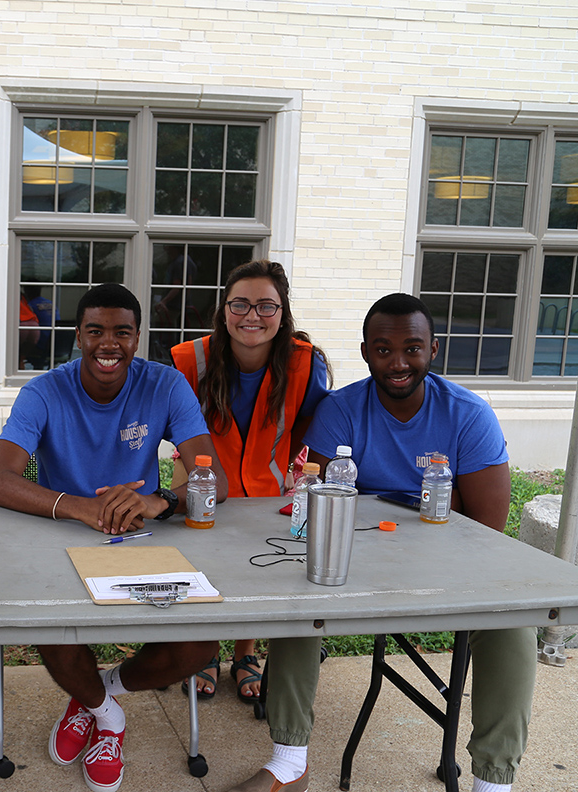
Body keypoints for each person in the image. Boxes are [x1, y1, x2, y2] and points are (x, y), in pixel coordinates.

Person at [225, 293, 526, 792]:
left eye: (412, 348)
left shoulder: (468, 414)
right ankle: (288, 762)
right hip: (359, 554)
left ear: (434, 348)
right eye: (384, 350)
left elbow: (487, 533)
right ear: (366, 352)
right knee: (300, 592)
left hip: (444, 561)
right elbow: (316, 500)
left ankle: (493, 782)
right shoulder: (342, 409)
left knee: (515, 623)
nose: (399, 362)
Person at [0, 283, 228, 792]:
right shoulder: (44, 391)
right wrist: (80, 507)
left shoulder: (165, 385)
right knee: (50, 627)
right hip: (64, 536)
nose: (108, 343)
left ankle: (98, 695)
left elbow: (213, 479)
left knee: (199, 644)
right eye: (95, 331)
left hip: (141, 538)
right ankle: (108, 719)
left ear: (138, 337)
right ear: (78, 337)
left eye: (122, 332)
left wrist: (161, 500)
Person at [170, 260, 331, 702]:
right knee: (202, 566)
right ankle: (203, 651)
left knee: (258, 571)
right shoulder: (190, 360)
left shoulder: (304, 363)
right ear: (224, 310)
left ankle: (245, 651)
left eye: (266, 306)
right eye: (240, 304)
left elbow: (304, 426)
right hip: (201, 481)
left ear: (283, 314)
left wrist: (277, 464)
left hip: (267, 484)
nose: (252, 316)